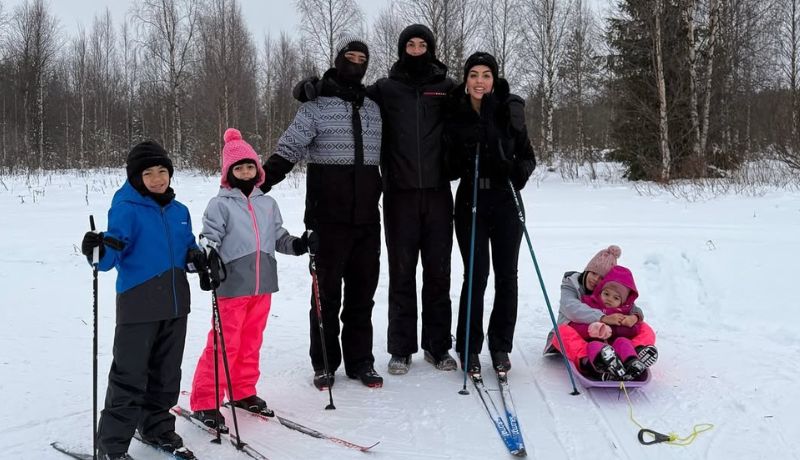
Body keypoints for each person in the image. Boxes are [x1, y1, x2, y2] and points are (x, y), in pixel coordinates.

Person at [291, 25, 458, 375]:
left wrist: (506, 98)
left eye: (421, 43)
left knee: (439, 273)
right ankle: (400, 348)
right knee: (401, 273)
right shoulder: (385, 88)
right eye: (409, 43)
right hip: (399, 195)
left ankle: (438, 346)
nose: (415, 48)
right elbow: (346, 92)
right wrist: (312, 87)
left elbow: (477, 104)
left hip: (439, 194)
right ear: (401, 49)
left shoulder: (447, 87)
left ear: (430, 47)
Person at [259, 36, 384, 389]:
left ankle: (361, 361)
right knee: (325, 296)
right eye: (350, 56)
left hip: (366, 219)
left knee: (363, 294)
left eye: (362, 58)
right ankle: (325, 363)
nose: (356, 62)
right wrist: (259, 185)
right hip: (327, 218)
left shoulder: (373, 107)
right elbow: (289, 148)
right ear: (339, 59)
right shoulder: (315, 106)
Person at [80, 140, 199, 460]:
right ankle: (111, 446)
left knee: (167, 373)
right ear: (136, 177)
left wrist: (200, 260)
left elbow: (188, 249)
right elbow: (107, 259)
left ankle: (156, 427)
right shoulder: (126, 208)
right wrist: (97, 247)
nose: (158, 178)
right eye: (149, 173)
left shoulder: (180, 211)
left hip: (176, 306)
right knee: (129, 375)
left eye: (163, 171)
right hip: (138, 306)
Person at [189, 128, 314, 430]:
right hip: (232, 285)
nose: (245, 172)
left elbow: (278, 237)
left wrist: (298, 244)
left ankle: (242, 391)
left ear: (257, 170)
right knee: (223, 344)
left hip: (263, 285)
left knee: (251, 341)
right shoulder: (220, 204)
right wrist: (208, 255)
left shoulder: (267, 204)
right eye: (238, 167)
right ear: (228, 172)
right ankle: (205, 400)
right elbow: (210, 237)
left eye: (249, 166)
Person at [445, 52, 537, 374]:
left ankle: (500, 346)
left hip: (505, 199)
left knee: (506, 276)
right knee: (476, 275)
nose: (480, 81)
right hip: (471, 198)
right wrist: (459, 160)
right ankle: (469, 346)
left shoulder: (508, 109)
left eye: (486, 75)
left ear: (493, 79)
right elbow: (447, 164)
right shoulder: (455, 112)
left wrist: (513, 169)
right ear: (466, 79)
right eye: (473, 75)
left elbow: (528, 157)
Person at [544, 245, 659, 379]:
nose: (595, 280)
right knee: (562, 332)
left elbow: (631, 306)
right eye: (593, 273)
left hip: (611, 340)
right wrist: (604, 318)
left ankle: (633, 356)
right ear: (587, 270)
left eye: (601, 278)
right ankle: (589, 361)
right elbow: (572, 309)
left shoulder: (607, 292)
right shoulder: (571, 284)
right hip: (578, 335)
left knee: (644, 328)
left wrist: (634, 317)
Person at [568, 265, 648, 379]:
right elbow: (575, 323)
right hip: (593, 342)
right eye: (606, 294)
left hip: (615, 346)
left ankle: (632, 364)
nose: (609, 299)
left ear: (622, 302)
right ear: (600, 291)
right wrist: (591, 329)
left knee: (623, 341)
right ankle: (600, 370)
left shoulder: (624, 312)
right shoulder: (589, 304)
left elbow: (634, 330)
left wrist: (620, 326)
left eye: (616, 298)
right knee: (594, 345)